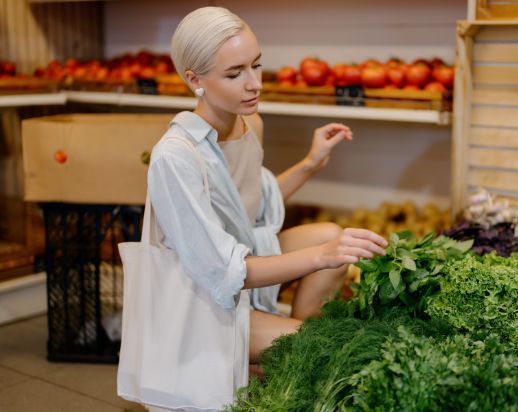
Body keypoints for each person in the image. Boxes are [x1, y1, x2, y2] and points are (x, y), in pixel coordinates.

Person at [145, 6, 387, 410]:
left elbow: (250, 204)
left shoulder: (247, 124)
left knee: (329, 236)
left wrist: (311, 163)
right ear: (195, 79)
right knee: (327, 258)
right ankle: (275, 355)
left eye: (257, 65)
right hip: (201, 303)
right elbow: (225, 272)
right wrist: (321, 257)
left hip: (238, 272)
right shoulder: (175, 156)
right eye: (234, 73)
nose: (254, 83)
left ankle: (286, 352)